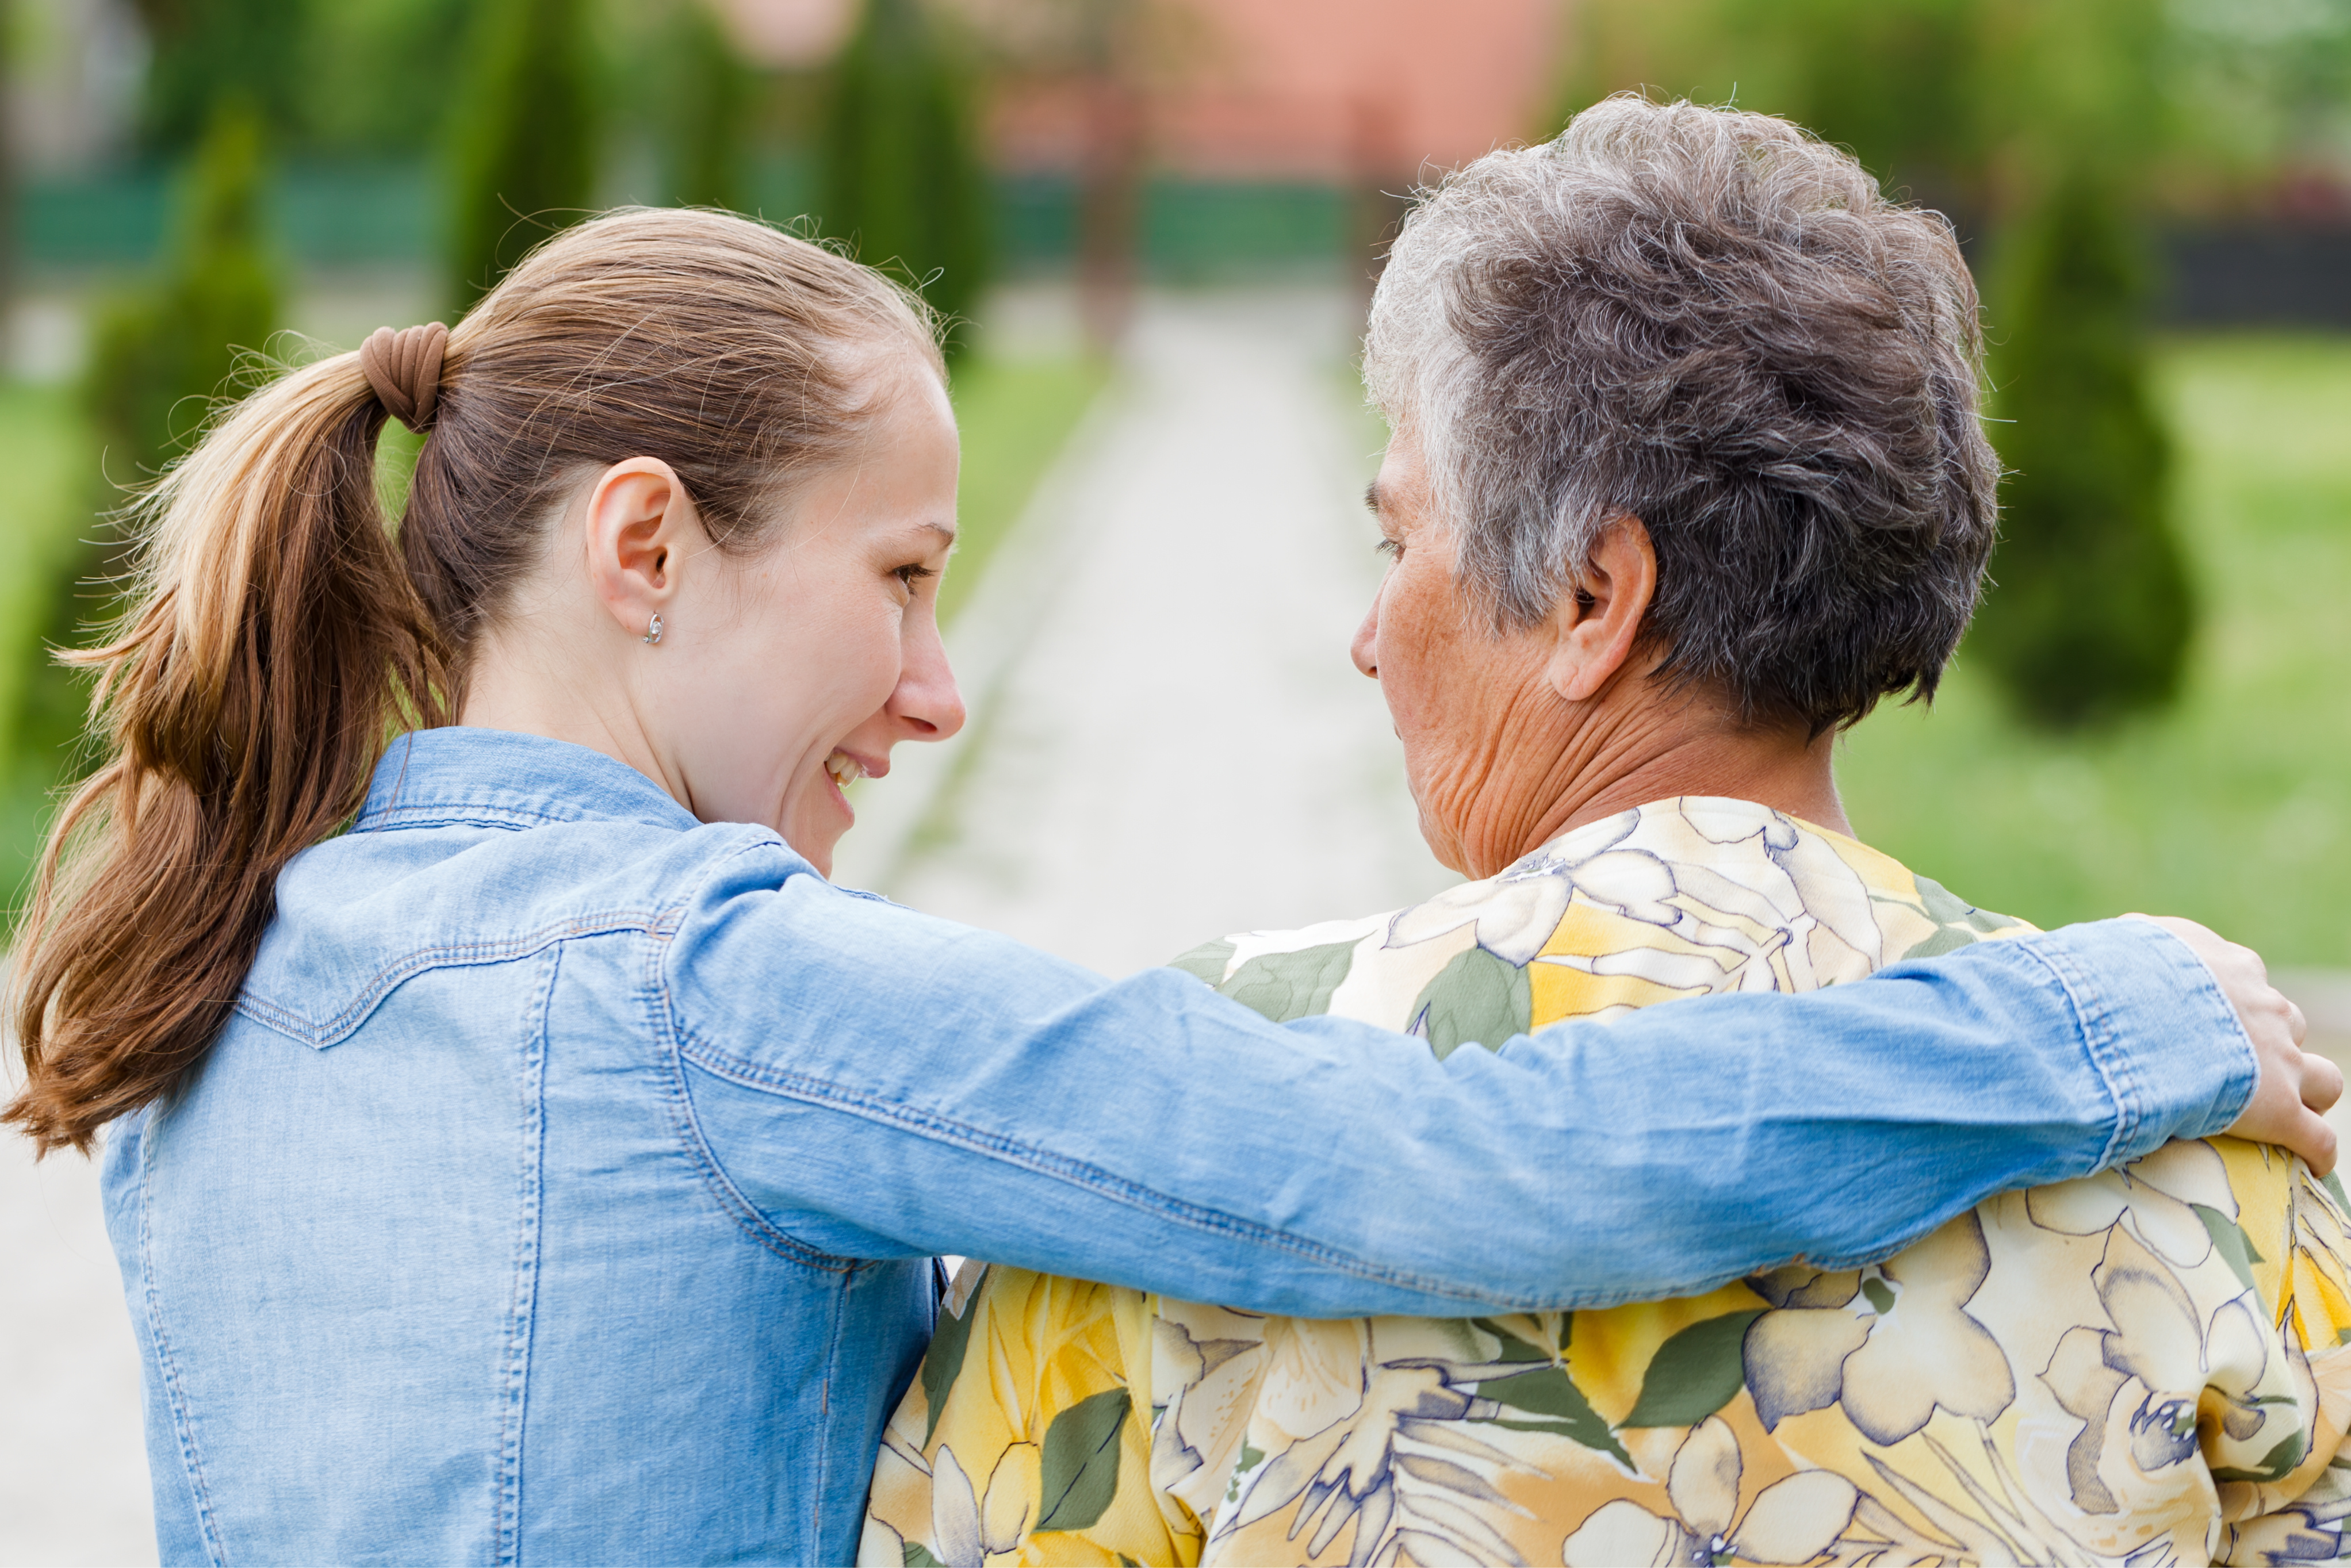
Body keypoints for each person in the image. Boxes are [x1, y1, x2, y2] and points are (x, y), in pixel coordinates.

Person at [1, 208, 2321, 1567]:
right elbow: (1427, 1169)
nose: (935, 690)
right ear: (640, 544)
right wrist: (2087, 1028)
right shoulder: (709, 993)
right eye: (902, 578)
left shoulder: (215, 975)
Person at [866, 99, 2351, 1568]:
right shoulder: (2217, 1136)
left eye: (1401, 540)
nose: (1369, 636)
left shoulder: (1207, 1110)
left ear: (1593, 597)